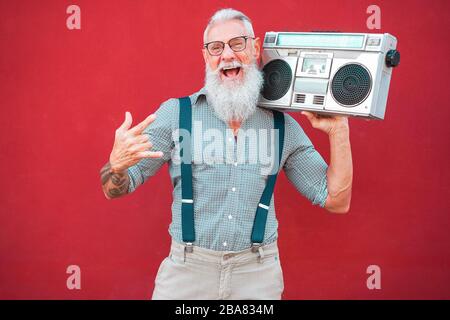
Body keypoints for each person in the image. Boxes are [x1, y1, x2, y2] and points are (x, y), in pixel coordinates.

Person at [99, 8, 353, 300]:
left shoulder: (283, 126)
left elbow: (336, 200)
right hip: (187, 273)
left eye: (237, 43)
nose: (227, 55)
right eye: (216, 48)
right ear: (206, 57)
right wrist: (115, 165)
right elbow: (114, 189)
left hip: (257, 275)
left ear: (256, 48)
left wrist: (339, 133)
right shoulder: (175, 114)